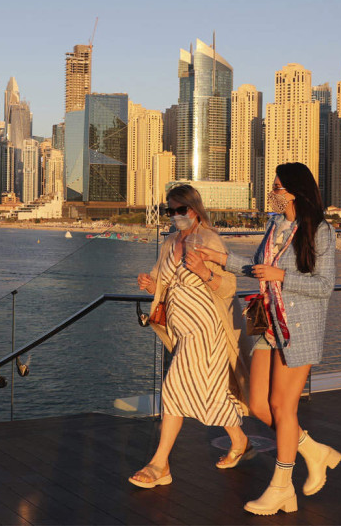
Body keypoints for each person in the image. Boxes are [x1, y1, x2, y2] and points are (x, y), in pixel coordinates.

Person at [193, 162, 340, 515]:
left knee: (282, 407)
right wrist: (220, 259)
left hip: (297, 327)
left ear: (294, 191)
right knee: (257, 403)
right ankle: (313, 450)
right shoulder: (275, 224)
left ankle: (281, 487)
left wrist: (281, 275)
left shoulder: (320, 230)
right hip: (266, 321)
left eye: (276, 187)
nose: (271, 193)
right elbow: (259, 269)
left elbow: (324, 286)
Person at [129, 184, 254, 488]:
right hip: (181, 329)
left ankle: (160, 463)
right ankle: (239, 439)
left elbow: (229, 287)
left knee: (173, 388)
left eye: (180, 209)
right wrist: (150, 284)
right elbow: (163, 282)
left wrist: (203, 271)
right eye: (169, 210)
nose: (175, 215)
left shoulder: (210, 240)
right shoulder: (170, 242)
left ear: (194, 210)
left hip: (205, 328)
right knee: (211, 391)